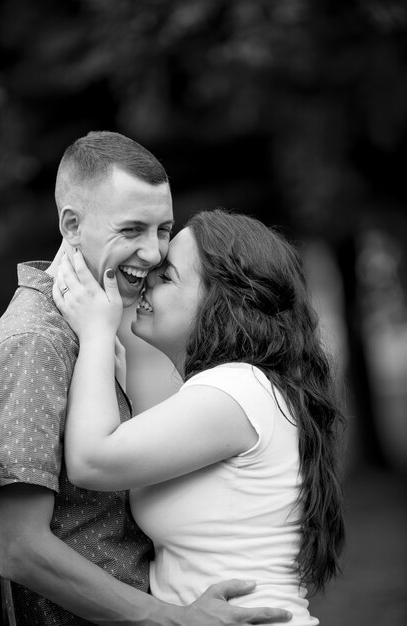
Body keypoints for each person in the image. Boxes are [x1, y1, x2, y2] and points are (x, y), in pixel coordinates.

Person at [0, 132, 291, 625]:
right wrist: (167, 618)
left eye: (163, 229)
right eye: (132, 230)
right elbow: (20, 547)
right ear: (71, 225)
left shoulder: (96, 332)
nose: (152, 254)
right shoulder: (38, 341)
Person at [53, 208, 346, 625]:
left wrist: (98, 333)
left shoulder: (239, 389)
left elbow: (91, 461)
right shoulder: (244, 392)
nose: (147, 278)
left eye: (167, 275)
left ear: (222, 303)